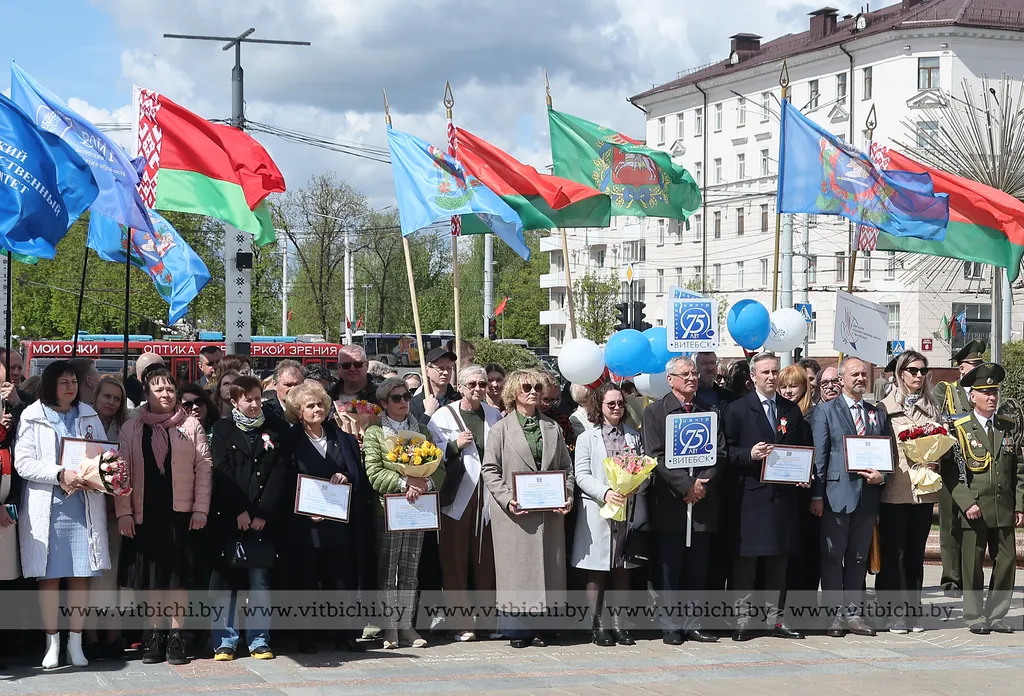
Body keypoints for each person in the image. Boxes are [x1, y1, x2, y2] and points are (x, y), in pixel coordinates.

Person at [15, 361, 110, 668]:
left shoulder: (88, 414)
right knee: (49, 578)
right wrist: (59, 474)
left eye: (73, 381)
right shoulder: (32, 415)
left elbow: (103, 455)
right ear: (50, 385)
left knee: (81, 576)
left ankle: (76, 642)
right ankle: (52, 642)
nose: (70, 387)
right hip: (49, 508)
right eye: (63, 382)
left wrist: (97, 473)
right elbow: (24, 463)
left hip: (83, 505)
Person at [116, 366, 211, 665]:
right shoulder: (132, 427)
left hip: (180, 513)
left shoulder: (191, 425)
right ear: (147, 394)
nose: (166, 394)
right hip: (145, 513)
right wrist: (124, 513)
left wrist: (200, 509)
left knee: (177, 580)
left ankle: (177, 637)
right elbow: (121, 472)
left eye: (170, 389)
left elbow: (204, 468)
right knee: (152, 580)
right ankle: (154, 635)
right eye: (159, 389)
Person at [481, 369, 574, 648]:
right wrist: (508, 499)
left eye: (536, 387)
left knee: (547, 570)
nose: (532, 391)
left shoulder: (552, 427)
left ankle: (542, 628)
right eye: (525, 388)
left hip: (548, 513)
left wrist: (566, 495)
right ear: (513, 393)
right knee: (518, 572)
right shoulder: (501, 429)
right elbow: (490, 469)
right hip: (515, 515)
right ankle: (517, 630)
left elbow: (565, 469)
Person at [723, 353, 808, 641]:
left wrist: (803, 473)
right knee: (746, 564)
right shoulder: (736, 410)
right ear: (753, 377)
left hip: (782, 499)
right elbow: (726, 453)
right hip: (750, 500)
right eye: (766, 372)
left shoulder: (791, 410)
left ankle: (776, 620)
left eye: (775, 371)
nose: (771, 377)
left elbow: (802, 449)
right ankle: (743, 619)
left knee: (778, 563)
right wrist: (749, 454)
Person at [286, 381, 375, 654]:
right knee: (307, 581)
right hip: (305, 525)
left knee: (341, 580)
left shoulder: (342, 438)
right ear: (298, 412)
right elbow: (285, 479)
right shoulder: (289, 441)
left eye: (320, 404)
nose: (317, 409)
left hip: (339, 522)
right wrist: (303, 509)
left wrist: (345, 477)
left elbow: (358, 476)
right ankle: (306, 637)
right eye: (310, 406)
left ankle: (345, 634)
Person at [642, 355, 724, 645]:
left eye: (694, 373)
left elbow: (720, 453)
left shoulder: (709, 410)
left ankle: (693, 622)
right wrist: (685, 485)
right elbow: (655, 455)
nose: (692, 378)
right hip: (670, 503)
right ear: (670, 379)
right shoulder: (655, 413)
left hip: (701, 503)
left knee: (697, 566)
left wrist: (702, 484)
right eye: (685, 373)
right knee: (669, 567)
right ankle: (671, 625)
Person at [207, 375, 289, 661]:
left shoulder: (274, 427)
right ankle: (225, 641)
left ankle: (259, 639)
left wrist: (263, 513)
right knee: (226, 582)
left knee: (259, 581)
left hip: (263, 520)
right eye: (248, 399)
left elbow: (280, 471)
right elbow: (221, 470)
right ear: (235, 401)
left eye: (257, 398)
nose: (255, 404)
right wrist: (238, 510)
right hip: (231, 518)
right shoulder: (223, 428)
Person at [811, 356, 892, 638]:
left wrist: (882, 477)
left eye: (864, 375)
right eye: (854, 374)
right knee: (833, 556)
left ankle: (854, 614)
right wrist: (817, 496)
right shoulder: (826, 411)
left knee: (858, 557)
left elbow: (888, 455)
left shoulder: (877, 413)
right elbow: (820, 456)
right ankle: (833, 615)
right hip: (836, 495)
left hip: (867, 497)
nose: (860, 378)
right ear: (841, 379)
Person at [365, 377, 446, 649]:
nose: (403, 402)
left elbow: (440, 467)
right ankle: (389, 627)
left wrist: (425, 484)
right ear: (384, 403)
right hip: (388, 509)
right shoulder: (375, 433)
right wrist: (404, 483)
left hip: (418, 509)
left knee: (411, 568)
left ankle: (407, 625)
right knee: (389, 570)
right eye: (397, 398)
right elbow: (374, 473)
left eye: (407, 396)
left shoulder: (422, 429)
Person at [943, 363, 1023, 634]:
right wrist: (967, 503)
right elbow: (951, 471)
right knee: (972, 564)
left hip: (1003, 507)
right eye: (986, 392)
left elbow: (1019, 470)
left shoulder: (1007, 426)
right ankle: (975, 616)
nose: (992, 397)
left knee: (1007, 562)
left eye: (995, 392)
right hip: (974, 507)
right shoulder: (960, 428)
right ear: (973, 396)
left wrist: (1020, 505)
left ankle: (998, 615)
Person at [427, 365, 501, 643]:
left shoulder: (494, 415)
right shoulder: (443, 416)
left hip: (488, 496)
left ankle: (486, 620)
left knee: (485, 560)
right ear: (461, 387)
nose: (478, 389)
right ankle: (459, 622)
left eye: (482, 384)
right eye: (472, 384)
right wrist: (454, 445)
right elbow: (430, 454)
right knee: (455, 561)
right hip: (458, 497)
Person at [571, 382, 646, 647]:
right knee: (598, 569)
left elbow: (642, 468)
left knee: (623, 567)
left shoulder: (632, 435)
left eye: (620, 403)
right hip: (599, 508)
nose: (616, 408)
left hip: (627, 508)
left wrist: (637, 484)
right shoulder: (586, 437)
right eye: (610, 404)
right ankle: (598, 625)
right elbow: (580, 474)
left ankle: (619, 624)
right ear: (599, 406)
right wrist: (604, 493)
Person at [877, 350, 941, 633]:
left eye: (922, 371)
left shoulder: (933, 407)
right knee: (895, 552)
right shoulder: (884, 407)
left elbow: (943, 440)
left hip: (924, 490)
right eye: (913, 370)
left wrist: (937, 456)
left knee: (916, 552)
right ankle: (892, 613)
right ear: (900, 373)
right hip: (895, 490)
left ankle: (912, 613)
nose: (918, 376)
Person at [933, 339, 985, 598]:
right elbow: (940, 420)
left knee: (972, 526)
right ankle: (951, 578)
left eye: (980, 365)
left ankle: (969, 577)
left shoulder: (984, 392)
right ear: (961, 368)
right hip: (951, 464)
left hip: (977, 467)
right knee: (950, 523)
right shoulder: (947, 390)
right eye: (972, 365)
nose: (977, 369)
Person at [88, 375, 130, 658]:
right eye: (107, 396)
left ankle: (114, 634)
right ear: (96, 397)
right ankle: (90, 634)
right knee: (92, 573)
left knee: (116, 573)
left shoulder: (125, 427)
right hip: (87, 506)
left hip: (117, 508)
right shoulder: (83, 423)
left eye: (117, 398)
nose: (112, 403)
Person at [777, 365, 820, 602]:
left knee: (807, 553)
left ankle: (804, 605)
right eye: (784, 386)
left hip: (807, 491)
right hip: (785, 491)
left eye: (793, 385)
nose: (788, 391)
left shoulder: (814, 414)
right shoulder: (780, 411)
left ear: (805, 386)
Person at [410, 348, 459, 427]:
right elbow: (414, 434)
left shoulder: (458, 400)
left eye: (449, 368)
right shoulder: (415, 403)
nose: (445, 372)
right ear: (426, 371)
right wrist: (428, 413)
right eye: (440, 368)